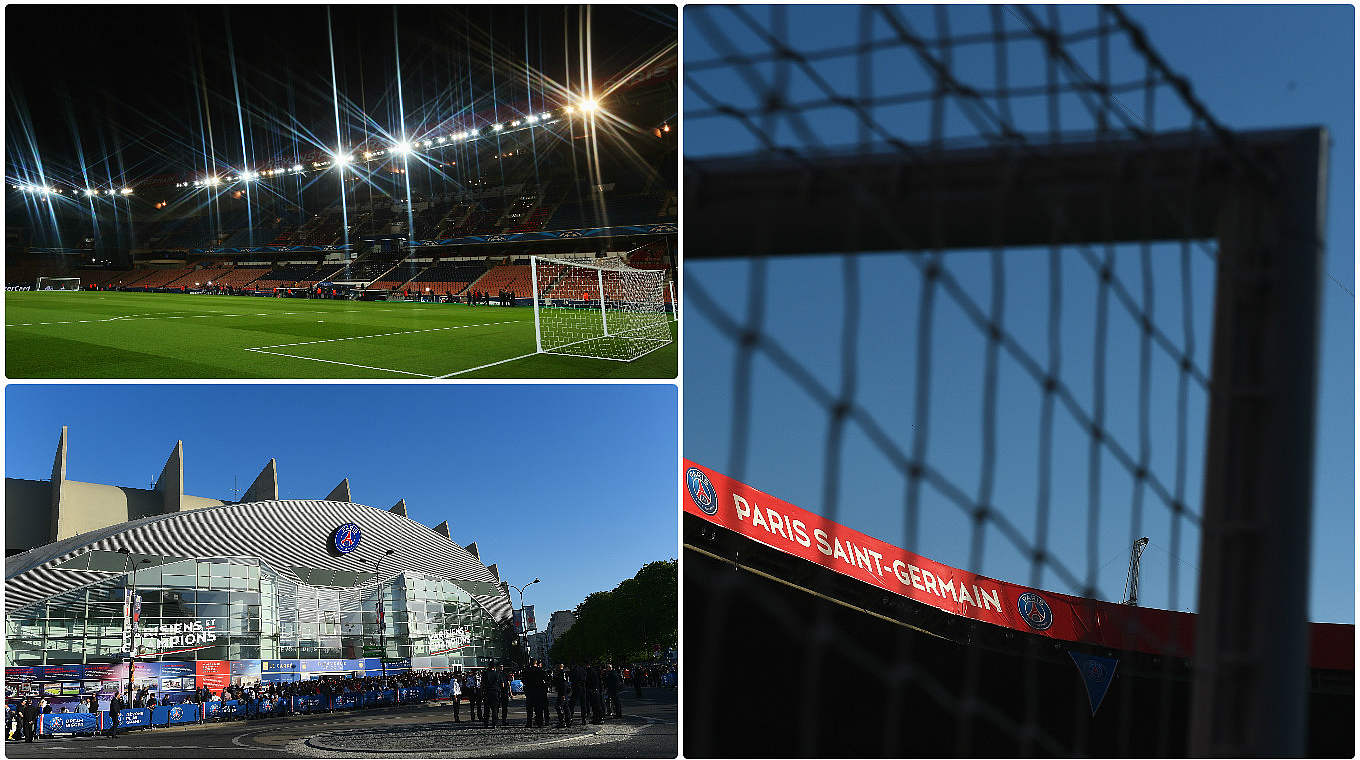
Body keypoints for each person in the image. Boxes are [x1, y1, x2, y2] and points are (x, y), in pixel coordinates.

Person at [523, 660, 547, 728]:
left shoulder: (527, 671)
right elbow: (544, 679)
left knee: (529, 709)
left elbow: (523, 680)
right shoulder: (540, 670)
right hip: (539, 691)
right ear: (536, 664)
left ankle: (529, 723)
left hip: (530, 691)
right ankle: (540, 722)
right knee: (538, 708)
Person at [552, 664, 572, 728]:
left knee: (558, 706)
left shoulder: (561, 674)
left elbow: (563, 684)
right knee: (565, 706)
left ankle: (562, 721)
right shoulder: (564, 673)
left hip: (562, 692)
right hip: (564, 692)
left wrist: (563, 694)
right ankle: (568, 720)